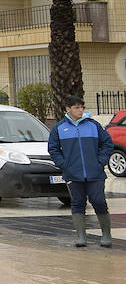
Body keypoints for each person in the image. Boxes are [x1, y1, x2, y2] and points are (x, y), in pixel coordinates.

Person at [46, 96, 113, 248]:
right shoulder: (59, 128)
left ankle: (106, 234)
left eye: (82, 107)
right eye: (76, 107)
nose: (80, 110)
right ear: (67, 109)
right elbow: (53, 149)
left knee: (99, 201)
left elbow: (107, 144)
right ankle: (81, 236)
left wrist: (100, 161)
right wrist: (65, 165)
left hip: (95, 173)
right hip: (73, 174)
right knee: (77, 203)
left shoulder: (93, 125)